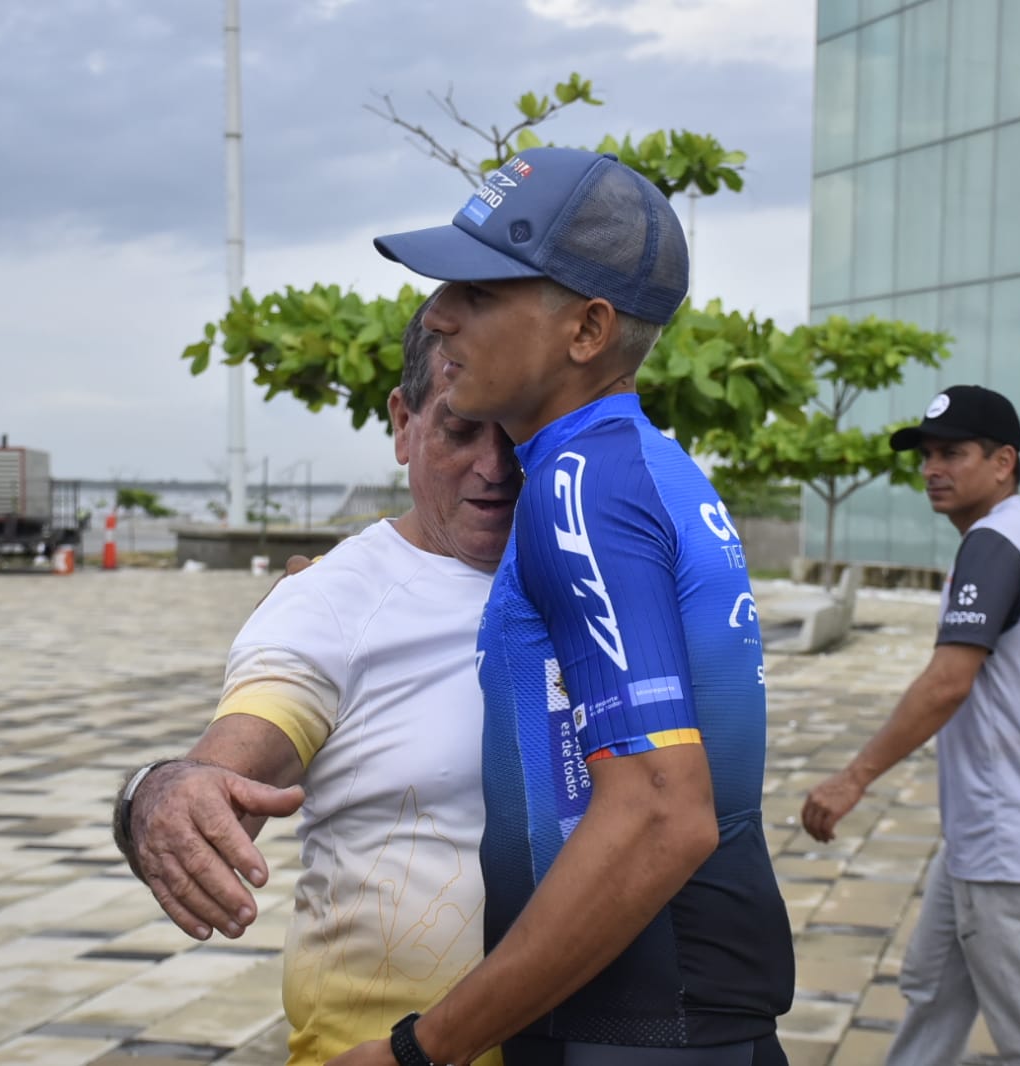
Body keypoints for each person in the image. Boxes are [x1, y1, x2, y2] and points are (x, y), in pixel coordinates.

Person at [333, 146, 793, 1066]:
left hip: (641, 1024)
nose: (437, 314)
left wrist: (421, 1051)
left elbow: (663, 811)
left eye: (481, 291)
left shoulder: (578, 485)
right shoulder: (639, 465)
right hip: (672, 1014)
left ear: (586, 330)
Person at [111, 297, 520, 1065]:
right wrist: (163, 792)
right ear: (404, 423)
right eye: (460, 430)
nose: (494, 467)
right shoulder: (331, 599)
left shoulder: (597, 577)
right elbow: (243, 741)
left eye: (519, 431)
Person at [801, 385, 1020, 1065]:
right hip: (994, 825)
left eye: (953, 453)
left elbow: (945, 684)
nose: (933, 468)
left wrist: (852, 778)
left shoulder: (995, 543)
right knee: (931, 988)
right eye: (927, 455)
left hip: (1004, 832)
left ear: (1002, 462)